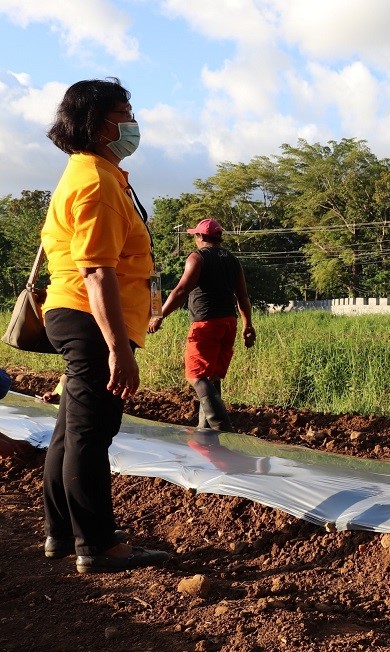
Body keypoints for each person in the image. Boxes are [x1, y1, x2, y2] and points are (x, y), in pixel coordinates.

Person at [39, 78, 168, 573]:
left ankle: (60, 533)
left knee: (70, 432)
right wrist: (119, 349)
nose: (132, 124)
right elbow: (97, 270)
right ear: (97, 124)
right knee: (91, 434)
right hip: (90, 320)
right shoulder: (96, 181)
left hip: (74, 315)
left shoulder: (91, 173)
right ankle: (97, 544)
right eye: (124, 114)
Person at [148, 218, 255, 431]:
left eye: (195, 236)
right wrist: (247, 325)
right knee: (212, 377)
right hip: (228, 323)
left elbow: (181, 290)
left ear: (200, 237)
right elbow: (243, 297)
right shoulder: (233, 261)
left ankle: (222, 428)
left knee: (196, 375)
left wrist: (159, 315)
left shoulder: (197, 258)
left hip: (206, 323)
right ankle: (204, 432)